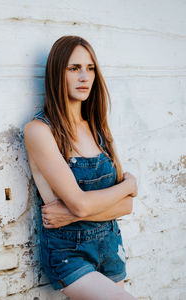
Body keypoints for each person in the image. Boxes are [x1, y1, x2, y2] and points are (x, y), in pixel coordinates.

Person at [24, 35, 138, 300]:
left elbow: (127, 206)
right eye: (74, 68)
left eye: (90, 68)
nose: (84, 77)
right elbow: (81, 203)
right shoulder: (40, 131)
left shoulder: (99, 128)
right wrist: (129, 186)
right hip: (69, 254)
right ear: (57, 74)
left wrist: (74, 214)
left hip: (110, 247)